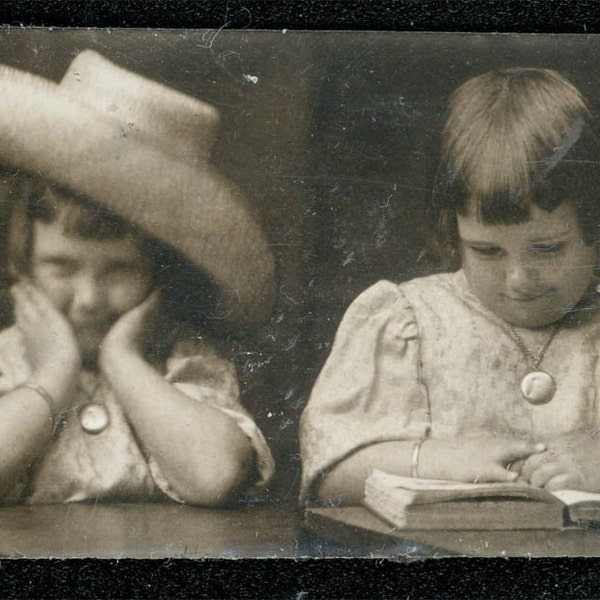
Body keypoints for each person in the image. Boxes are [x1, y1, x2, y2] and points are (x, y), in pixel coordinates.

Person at [300, 67, 600, 506]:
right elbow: (326, 474)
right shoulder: (410, 322)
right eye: (487, 252)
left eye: (548, 249)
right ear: (453, 231)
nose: (518, 280)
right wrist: (437, 459)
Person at [0, 50, 275, 505]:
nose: (88, 299)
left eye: (119, 269)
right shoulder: (7, 362)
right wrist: (53, 374)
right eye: (61, 266)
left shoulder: (183, 364)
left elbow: (216, 475)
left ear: (162, 273)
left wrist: (122, 362)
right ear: (22, 263)